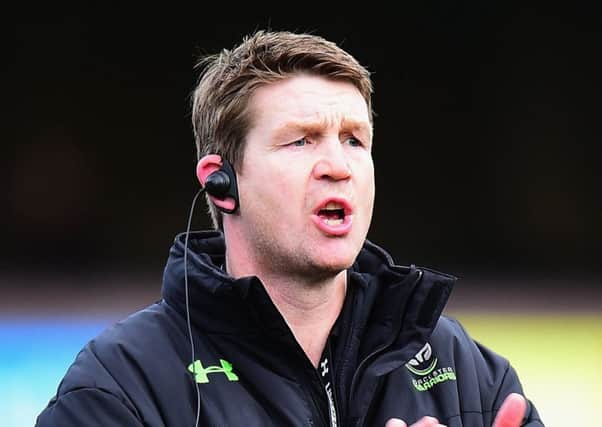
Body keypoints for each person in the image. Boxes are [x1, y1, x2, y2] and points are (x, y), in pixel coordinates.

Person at [36, 30, 543, 426]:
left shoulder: (469, 373)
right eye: (301, 141)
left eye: (354, 140)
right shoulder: (121, 385)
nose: (337, 165)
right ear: (221, 184)